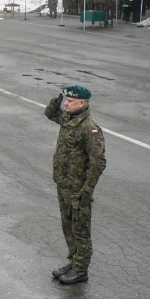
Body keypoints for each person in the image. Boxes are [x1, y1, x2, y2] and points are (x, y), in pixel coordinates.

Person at [44, 85, 107, 285]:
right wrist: (54, 103)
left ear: (83, 103)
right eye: (66, 100)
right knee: (68, 226)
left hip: (79, 189)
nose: (66, 104)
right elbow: (50, 114)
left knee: (80, 229)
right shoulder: (69, 119)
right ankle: (73, 261)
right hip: (64, 184)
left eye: (70, 102)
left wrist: (87, 190)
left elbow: (98, 163)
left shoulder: (90, 128)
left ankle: (81, 269)